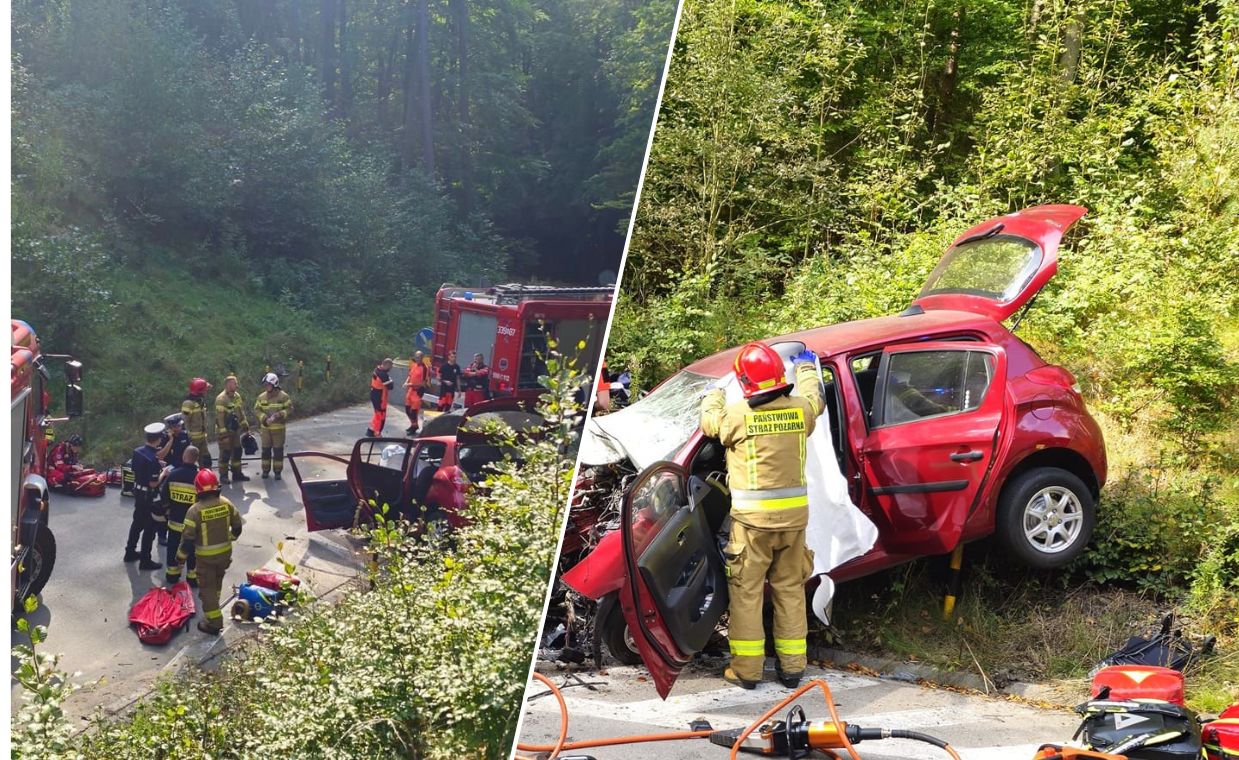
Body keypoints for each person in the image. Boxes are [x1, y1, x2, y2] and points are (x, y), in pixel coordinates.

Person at [699, 341, 823, 690]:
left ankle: (747, 671)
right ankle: (793, 669)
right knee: (790, 590)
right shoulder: (800, 410)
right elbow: (817, 400)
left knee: (747, 594)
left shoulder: (738, 415)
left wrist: (713, 395)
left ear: (744, 383)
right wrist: (808, 369)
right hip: (794, 524)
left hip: (752, 526)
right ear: (779, 376)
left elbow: (710, 424)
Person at [173, 469, 243, 635]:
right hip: (225, 555)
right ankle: (214, 605)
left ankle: (214, 623)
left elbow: (188, 541)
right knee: (217, 581)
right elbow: (238, 527)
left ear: (197, 489)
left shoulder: (194, 511)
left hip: (205, 559)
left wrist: (180, 558)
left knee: (207, 589)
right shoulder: (226, 503)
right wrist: (230, 538)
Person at [125, 423, 166, 570]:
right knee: (150, 528)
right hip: (149, 496)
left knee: (137, 524)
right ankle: (145, 560)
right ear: (158, 439)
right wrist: (163, 473)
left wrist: (156, 465)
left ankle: (129, 552)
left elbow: (137, 469)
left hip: (138, 492)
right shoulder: (153, 461)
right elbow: (153, 483)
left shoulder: (138, 452)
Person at [163, 446, 201, 587]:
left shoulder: (173, 475)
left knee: (173, 547)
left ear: (184, 457)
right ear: (196, 459)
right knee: (192, 550)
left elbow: (164, 497)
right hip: (193, 526)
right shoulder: (199, 478)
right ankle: (192, 577)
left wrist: (168, 511)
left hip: (174, 522)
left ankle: (172, 575)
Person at [254, 372, 292, 479]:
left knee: (278, 451)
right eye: (265, 385)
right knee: (265, 450)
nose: (267, 387)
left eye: (268, 385)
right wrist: (264, 418)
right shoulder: (261, 397)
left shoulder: (283, 396)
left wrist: (280, 414)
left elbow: (289, 408)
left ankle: (277, 472)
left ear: (275, 384)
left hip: (279, 429)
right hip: (266, 429)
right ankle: (265, 471)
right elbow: (257, 409)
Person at [214, 375, 251, 484]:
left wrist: (245, 426)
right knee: (225, 454)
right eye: (235, 383)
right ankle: (223, 476)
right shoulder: (221, 399)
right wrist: (224, 435)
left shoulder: (237, 396)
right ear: (228, 384)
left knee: (237, 451)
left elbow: (241, 412)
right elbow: (220, 419)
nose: (237, 385)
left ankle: (237, 474)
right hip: (224, 432)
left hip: (235, 431)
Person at [182, 378, 214, 470]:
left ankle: (207, 480)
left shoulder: (199, 402)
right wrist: (188, 439)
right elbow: (185, 422)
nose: (206, 392)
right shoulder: (188, 404)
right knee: (190, 463)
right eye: (204, 390)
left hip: (202, 438)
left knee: (206, 460)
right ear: (199, 391)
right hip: (193, 440)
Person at [366, 358, 395, 437]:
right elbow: (390, 386)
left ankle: (371, 430)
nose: (390, 369)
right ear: (386, 365)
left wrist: (389, 380)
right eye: (390, 367)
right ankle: (377, 432)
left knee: (377, 414)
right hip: (380, 397)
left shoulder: (377, 369)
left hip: (374, 394)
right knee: (381, 415)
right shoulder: (383, 374)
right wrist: (390, 381)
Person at [404, 350, 430, 436]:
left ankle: (414, 427)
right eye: (416, 357)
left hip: (417, 392)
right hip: (410, 391)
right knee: (407, 409)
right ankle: (413, 425)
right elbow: (410, 375)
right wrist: (406, 382)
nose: (417, 358)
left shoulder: (424, 368)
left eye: (419, 357)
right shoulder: (414, 365)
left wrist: (410, 384)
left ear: (422, 358)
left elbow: (423, 383)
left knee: (414, 412)